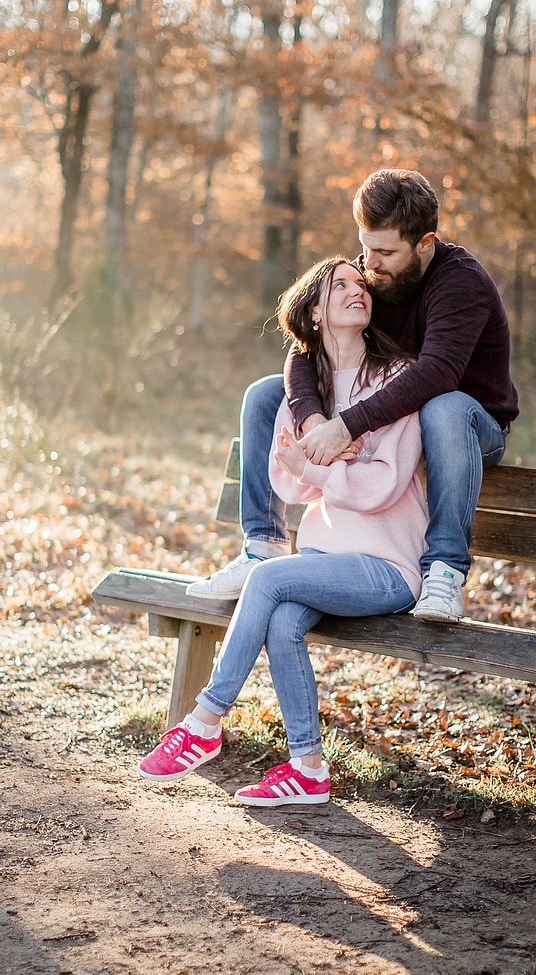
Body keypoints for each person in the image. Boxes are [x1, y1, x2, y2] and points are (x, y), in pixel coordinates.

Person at [138, 257, 427, 805]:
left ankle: (203, 722)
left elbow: (382, 487)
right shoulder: (307, 394)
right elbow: (287, 481)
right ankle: (309, 766)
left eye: (359, 283)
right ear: (315, 313)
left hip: (386, 568)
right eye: (338, 285)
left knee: (267, 581)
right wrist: (318, 468)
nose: (355, 290)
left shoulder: (396, 382)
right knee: (284, 620)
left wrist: (318, 468)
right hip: (323, 560)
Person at [187, 168, 518, 623]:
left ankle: (444, 571)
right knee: (267, 395)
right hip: (394, 426)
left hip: (468, 428)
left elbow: (438, 373)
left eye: (384, 251)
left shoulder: (459, 283)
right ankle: (262, 549)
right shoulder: (376, 278)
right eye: (365, 246)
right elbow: (305, 352)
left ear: (425, 243)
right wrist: (313, 420)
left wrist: (347, 425)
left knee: (445, 407)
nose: (370, 263)